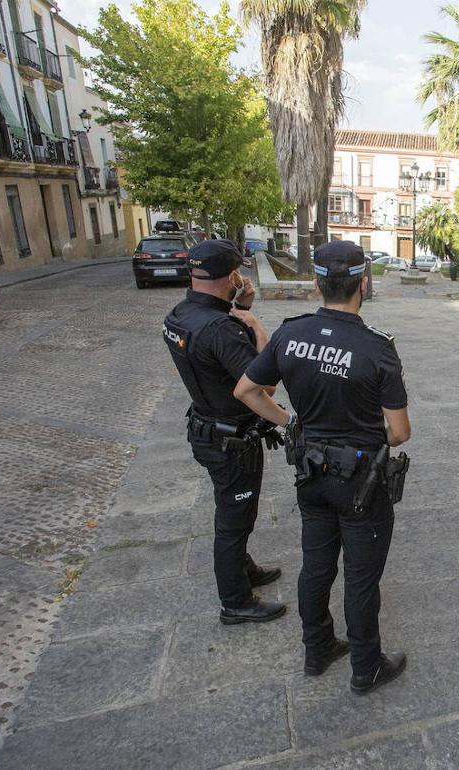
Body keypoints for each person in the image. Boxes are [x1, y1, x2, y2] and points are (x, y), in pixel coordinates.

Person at [234, 240, 412, 696]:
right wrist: (367, 435)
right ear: (363, 285)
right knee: (361, 576)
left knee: (316, 566)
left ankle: (317, 649)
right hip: (361, 482)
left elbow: (247, 391)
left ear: (316, 284)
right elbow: (399, 431)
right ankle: (365, 666)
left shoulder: (291, 335)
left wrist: (292, 421)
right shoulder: (378, 348)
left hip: (310, 473)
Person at [162, 239, 286, 626]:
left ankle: (243, 568)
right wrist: (259, 329)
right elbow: (263, 388)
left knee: (234, 509)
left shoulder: (179, 316)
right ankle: (235, 602)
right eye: (237, 273)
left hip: (206, 428)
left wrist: (240, 311)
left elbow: (213, 361)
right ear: (230, 276)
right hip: (232, 441)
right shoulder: (221, 330)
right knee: (233, 521)